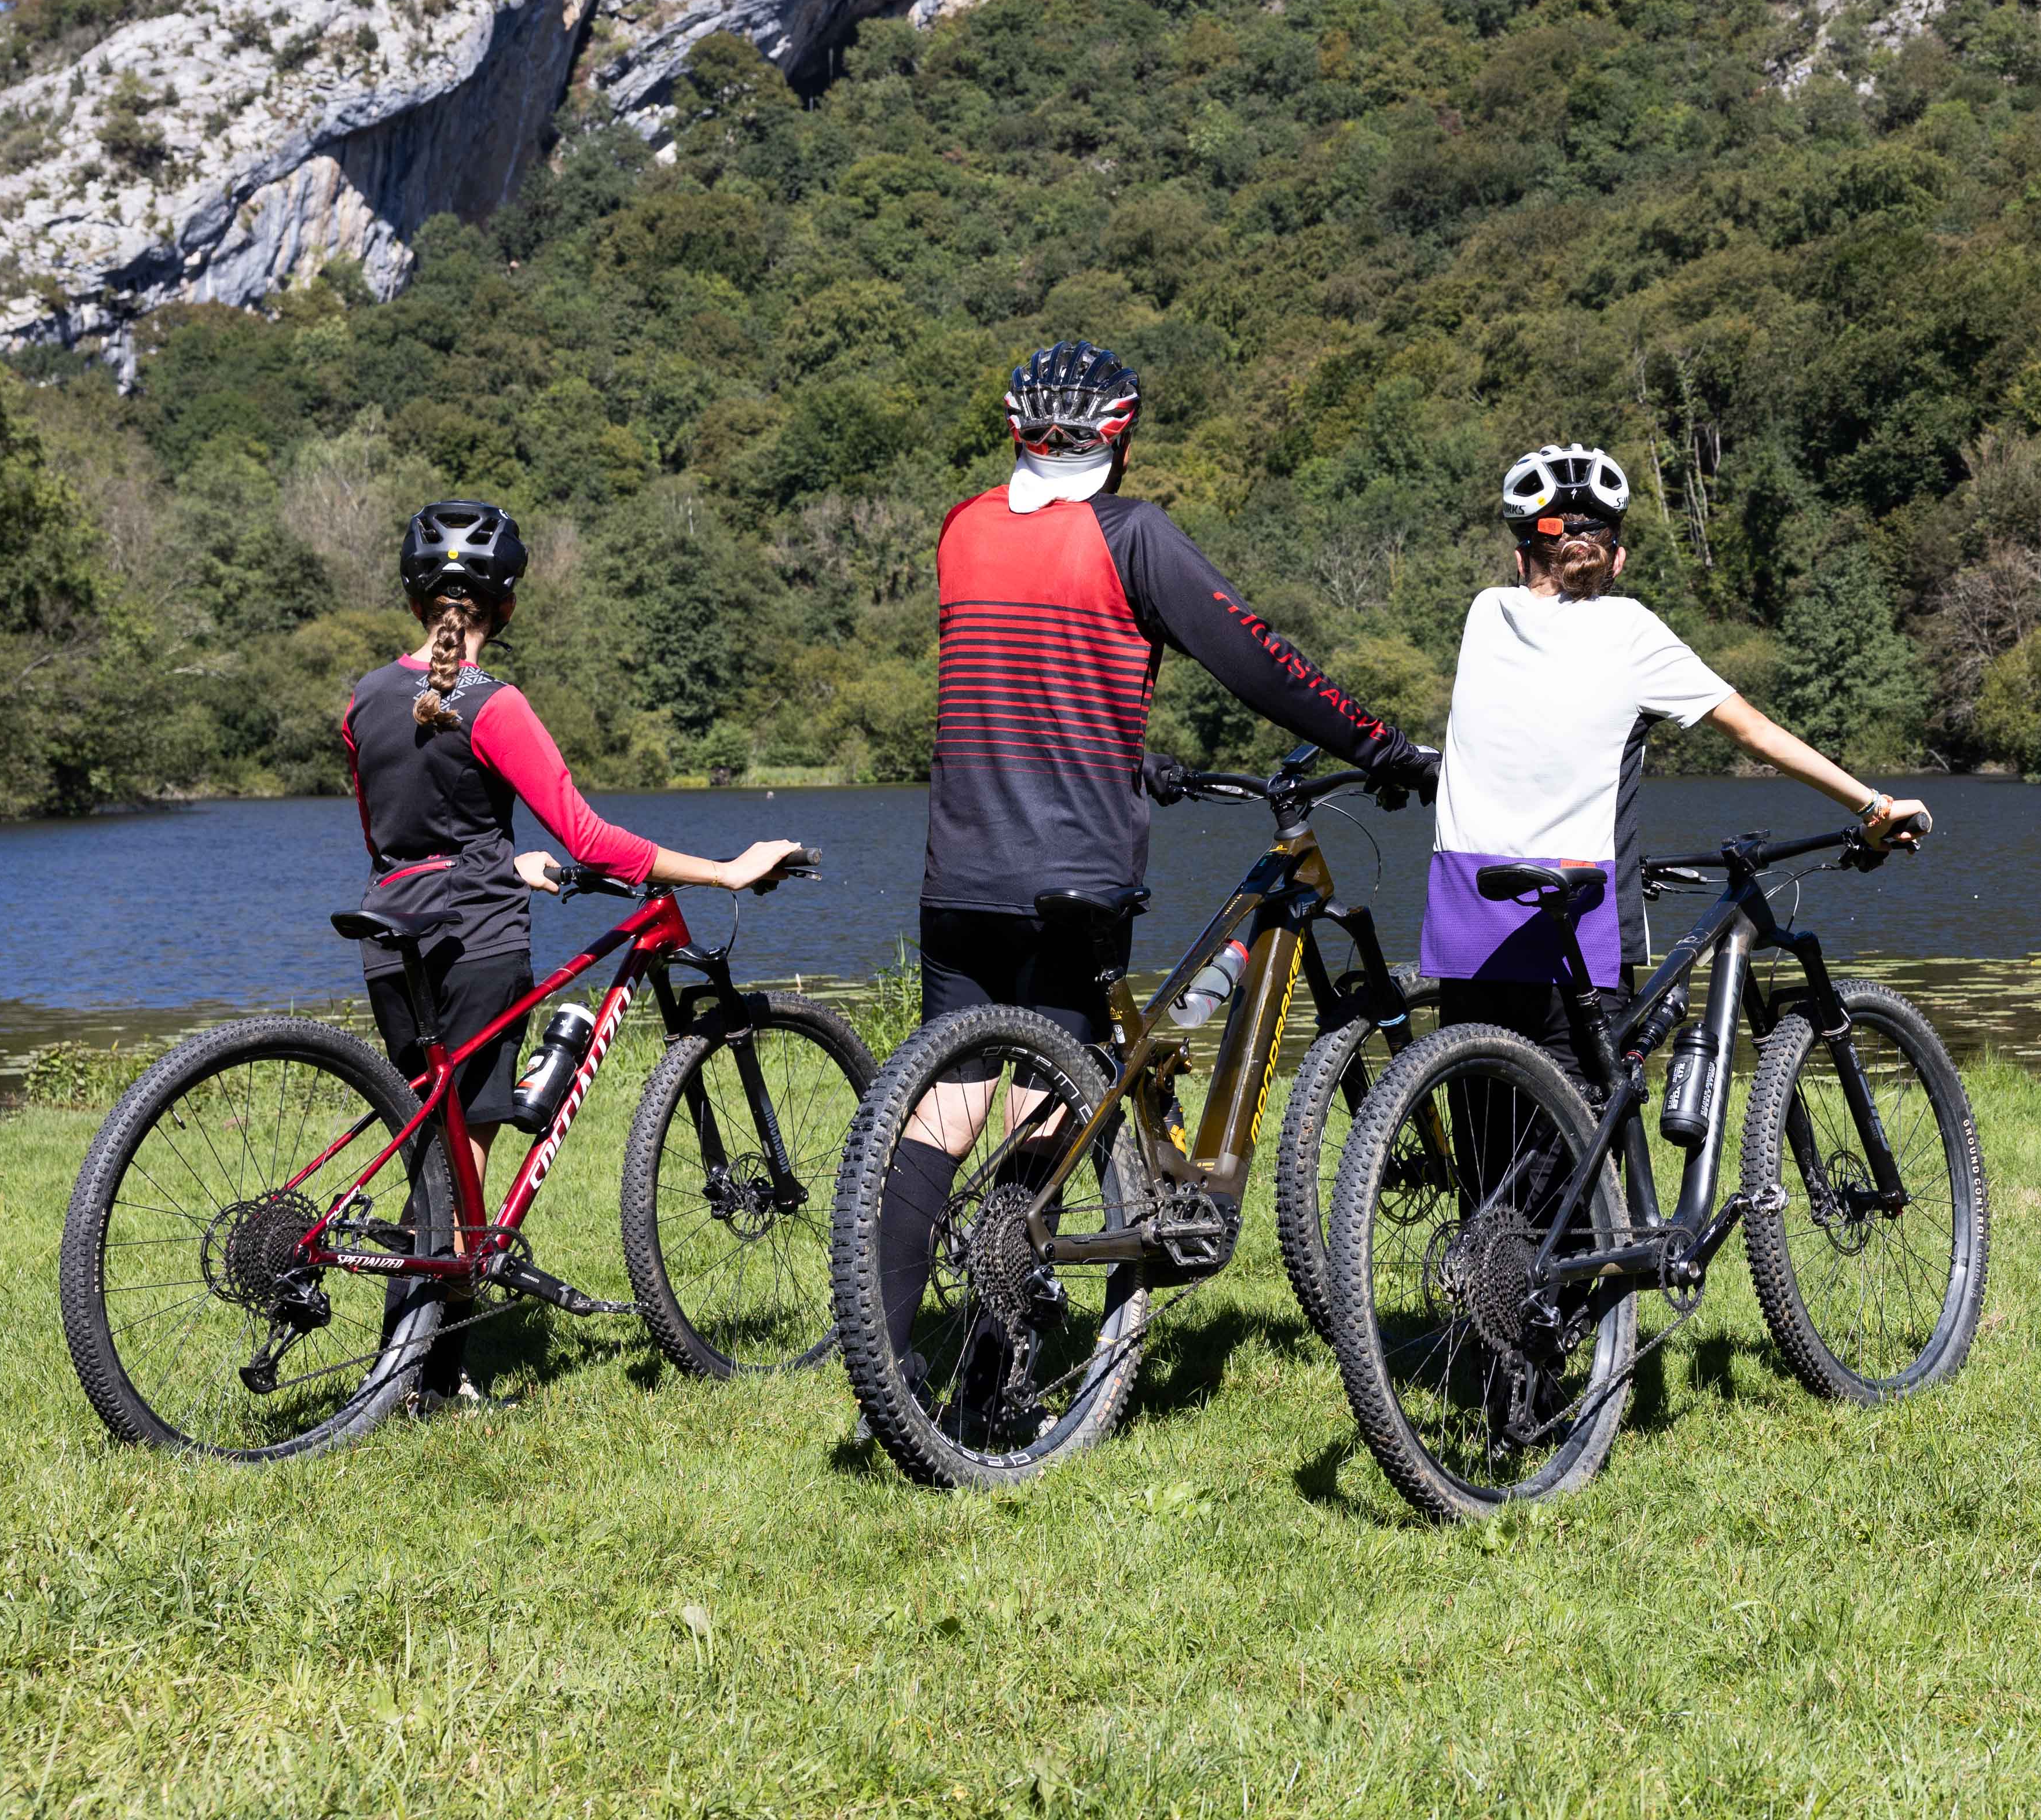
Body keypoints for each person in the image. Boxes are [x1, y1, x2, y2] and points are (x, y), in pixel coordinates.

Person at [867, 343, 1438, 1376]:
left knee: (945, 1101)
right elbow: (1256, 660)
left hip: (959, 869)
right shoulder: (1131, 535)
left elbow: (1029, 669)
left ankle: (890, 1363)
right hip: (1072, 870)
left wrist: (1135, 749)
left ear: (1016, 434)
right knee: (1052, 1098)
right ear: (1120, 437)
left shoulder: (962, 529)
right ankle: (1001, 1353)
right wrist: (1381, 746)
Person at [344, 498, 802, 1403]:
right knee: (461, 1161)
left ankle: (422, 1365)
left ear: (413, 600)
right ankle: (422, 1381)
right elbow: (591, 839)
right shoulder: (493, 702)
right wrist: (724, 869)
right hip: (471, 935)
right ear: (506, 605)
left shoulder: (362, 700)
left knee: (435, 1154)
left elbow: (396, 833)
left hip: (389, 931)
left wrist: (500, 853)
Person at [1420, 443, 1928, 1054]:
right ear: (1619, 559)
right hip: (1576, 924)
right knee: (1580, 1135)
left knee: (1488, 1143)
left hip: (1464, 919)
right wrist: (1873, 806)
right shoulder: (1628, 630)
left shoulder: (1483, 615)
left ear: (1518, 554)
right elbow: (1754, 733)